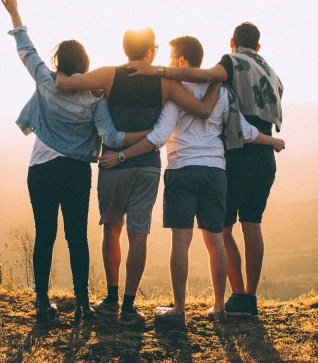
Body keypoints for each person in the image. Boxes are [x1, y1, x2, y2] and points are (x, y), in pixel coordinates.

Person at [99, 36, 284, 325]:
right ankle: (220, 307)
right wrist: (271, 140)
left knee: (181, 242)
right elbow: (244, 130)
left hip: (182, 170)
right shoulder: (220, 91)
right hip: (216, 172)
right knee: (215, 241)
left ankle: (179, 310)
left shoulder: (176, 92)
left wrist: (121, 155)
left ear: (183, 60)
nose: (170, 62)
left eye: (173, 58)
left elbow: (159, 137)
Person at [0, 0, 150, 324]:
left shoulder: (47, 82)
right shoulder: (94, 98)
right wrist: (149, 135)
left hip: (41, 168)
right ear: (85, 63)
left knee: (45, 234)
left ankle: (42, 303)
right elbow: (110, 136)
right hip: (76, 171)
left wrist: (14, 13)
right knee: (76, 237)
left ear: (59, 62)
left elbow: (27, 51)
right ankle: (82, 305)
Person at [55, 30, 221, 325]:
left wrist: (59, 71)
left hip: (112, 165)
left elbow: (66, 83)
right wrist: (218, 80)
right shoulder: (165, 83)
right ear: (150, 53)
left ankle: (111, 300)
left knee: (111, 228)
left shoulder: (108, 75)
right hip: (147, 166)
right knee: (138, 233)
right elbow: (203, 110)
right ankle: (130, 308)